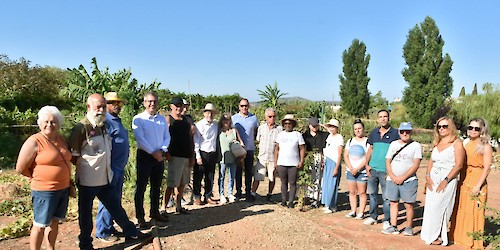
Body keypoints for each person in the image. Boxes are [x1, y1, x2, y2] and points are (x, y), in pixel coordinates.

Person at [70, 94, 148, 250]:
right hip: (88, 180)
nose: (101, 110)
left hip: (105, 177)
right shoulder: (81, 128)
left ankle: (131, 232)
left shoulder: (103, 125)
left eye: (103, 107)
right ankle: (85, 244)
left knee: (115, 207)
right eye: (97, 107)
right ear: (88, 107)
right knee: (86, 214)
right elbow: (72, 156)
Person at [16, 106, 71, 250]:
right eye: (46, 121)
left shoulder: (61, 138)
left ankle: (50, 248)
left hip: (63, 188)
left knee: (54, 222)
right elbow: (20, 168)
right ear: (39, 123)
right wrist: (38, 178)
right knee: (40, 224)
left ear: (59, 124)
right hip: (44, 190)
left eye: (53, 122)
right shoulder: (34, 141)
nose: (49, 125)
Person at [420, 117, 465, 246]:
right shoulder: (437, 142)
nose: (441, 129)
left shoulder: (457, 143)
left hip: (447, 178)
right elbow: (431, 161)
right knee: (430, 207)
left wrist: (446, 180)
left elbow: (459, 165)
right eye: (439, 126)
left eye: (445, 126)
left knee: (441, 207)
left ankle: (438, 235)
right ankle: (429, 234)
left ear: (451, 127)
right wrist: (427, 176)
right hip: (433, 177)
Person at [450, 118, 493, 249]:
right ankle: (459, 237)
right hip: (464, 177)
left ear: (482, 130)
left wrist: (478, 185)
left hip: (476, 178)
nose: (473, 131)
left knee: (474, 210)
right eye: (470, 128)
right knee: (462, 207)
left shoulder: (485, 146)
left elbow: (487, 167)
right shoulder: (466, 143)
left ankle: (472, 240)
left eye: (477, 128)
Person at [132, 91, 171, 228]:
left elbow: (167, 136)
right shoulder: (138, 119)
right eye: (149, 101)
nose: (152, 104)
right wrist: (153, 152)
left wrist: (162, 150)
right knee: (141, 187)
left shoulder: (161, 119)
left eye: (154, 101)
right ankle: (140, 217)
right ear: (144, 103)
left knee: (156, 186)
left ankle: (154, 212)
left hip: (159, 155)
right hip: (145, 156)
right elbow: (140, 139)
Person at [95, 92, 129, 242]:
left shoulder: (116, 120)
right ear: (105, 105)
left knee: (115, 200)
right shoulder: (105, 121)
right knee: (107, 200)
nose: (116, 106)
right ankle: (103, 231)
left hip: (119, 167)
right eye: (112, 103)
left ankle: (109, 226)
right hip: (111, 167)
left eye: (118, 103)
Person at [382, 122, 422, 236]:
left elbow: (416, 165)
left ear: (411, 132)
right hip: (392, 179)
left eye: (407, 131)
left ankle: (409, 227)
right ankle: (393, 226)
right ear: (399, 132)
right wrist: (393, 176)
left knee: (408, 204)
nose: (405, 133)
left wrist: (403, 177)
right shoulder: (393, 144)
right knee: (393, 202)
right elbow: (388, 161)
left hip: (409, 180)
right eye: (402, 131)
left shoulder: (416, 146)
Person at [364, 110, 400, 230]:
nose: (383, 119)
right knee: (373, 195)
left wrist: (391, 170)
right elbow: (370, 149)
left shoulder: (395, 133)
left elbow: (397, 153)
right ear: (377, 119)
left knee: (386, 197)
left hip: (385, 171)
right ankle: (373, 217)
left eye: (385, 116)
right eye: (381, 117)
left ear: (389, 118)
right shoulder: (374, 132)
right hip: (372, 170)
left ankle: (387, 220)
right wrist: (366, 165)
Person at [162, 96, 194, 214]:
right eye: (177, 105)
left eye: (181, 105)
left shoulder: (186, 121)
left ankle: (178, 206)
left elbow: (190, 139)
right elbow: (163, 137)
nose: (179, 108)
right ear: (171, 106)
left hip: (186, 155)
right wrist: (166, 153)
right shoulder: (168, 119)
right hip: (174, 156)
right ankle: (163, 207)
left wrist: (192, 155)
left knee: (182, 183)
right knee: (171, 183)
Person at [249, 108, 282, 202]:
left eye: (274, 116)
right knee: (257, 176)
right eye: (270, 116)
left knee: (272, 177)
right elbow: (258, 140)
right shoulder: (261, 128)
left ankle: (270, 194)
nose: (272, 118)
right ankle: (253, 193)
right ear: (266, 117)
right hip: (262, 157)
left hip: (272, 157)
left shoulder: (279, 129)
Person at [274, 114, 305, 208]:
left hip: (293, 163)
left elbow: (302, 148)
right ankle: (283, 200)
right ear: (283, 124)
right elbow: (277, 149)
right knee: (283, 182)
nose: (287, 125)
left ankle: (291, 201)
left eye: (290, 123)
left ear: (293, 124)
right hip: (282, 162)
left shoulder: (297, 135)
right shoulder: (280, 134)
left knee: (292, 183)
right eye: (286, 123)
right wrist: (275, 162)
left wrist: (301, 161)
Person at [232, 98, 259, 201]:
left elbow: (255, 131)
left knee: (248, 172)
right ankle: (238, 192)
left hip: (250, 148)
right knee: (238, 172)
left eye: (246, 105)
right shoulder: (234, 118)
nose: (244, 107)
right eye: (242, 106)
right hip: (238, 150)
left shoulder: (254, 118)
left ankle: (248, 192)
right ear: (239, 107)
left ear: (248, 106)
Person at [193, 103, 219, 205]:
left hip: (212, 153)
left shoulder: (216, 125)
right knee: (198, 176)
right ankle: (197, 196)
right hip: (202, 153)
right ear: (204, 114)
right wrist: (198, 156)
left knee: (210, 176)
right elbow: (196, 141)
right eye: (208, 113)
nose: (210, 115)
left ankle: (208, 196)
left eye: (212, 113)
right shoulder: (199, 125)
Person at [344, 119, 369, 220]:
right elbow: (345, 155)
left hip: (362, 171)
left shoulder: (367, 141)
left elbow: (368, 157)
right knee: (352, 192)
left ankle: (361, 212)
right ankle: (353, 210)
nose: (358, 130)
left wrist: (358, 169)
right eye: (355, 129)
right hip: (350, 170)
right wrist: (351, 167)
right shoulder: (350, 141)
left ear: (363, 129)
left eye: (359, 128)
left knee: (362, 193)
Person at [217, 113, 245, 204]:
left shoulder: (234, 130)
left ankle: (230, 193)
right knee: (221, 176)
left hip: (233, 157)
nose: (226, 121)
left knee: (231, 176)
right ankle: (221, 194)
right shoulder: (219, 131)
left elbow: (241, 142)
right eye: (224, 119)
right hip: (222, 157)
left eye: (228, 119)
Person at [302, 117, 328, 207]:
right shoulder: (305, 135)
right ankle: (308, 196)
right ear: (309, 125)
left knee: (318, 177)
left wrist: (324, 126)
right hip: (308, 156)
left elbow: (332, 134)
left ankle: (316, 198)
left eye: (316, 125)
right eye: (313, 126)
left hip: (319, 155)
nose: (314, 127)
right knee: (309, 176)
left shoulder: (323, 135)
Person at [321, 119, 344, 213]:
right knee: (326, 183)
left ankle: (330, 205)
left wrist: (336, 167)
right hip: (328, 160)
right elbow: (327, 129)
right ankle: (328, 204)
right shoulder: (330, 136)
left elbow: (339, 154)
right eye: (330, 126)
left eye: (333, 126)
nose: (331, 128)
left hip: (334, 162)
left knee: (332, 184)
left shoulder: (339, 138)